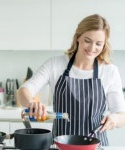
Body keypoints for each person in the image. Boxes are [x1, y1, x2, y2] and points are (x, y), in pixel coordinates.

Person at [17, 14, 125, 146]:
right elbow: (23, 91)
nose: (92, 48)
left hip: (96, 146)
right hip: (60, 146)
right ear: (78, 37)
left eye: (98, 44)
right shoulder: (55, 64)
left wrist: (114, 119)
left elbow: (121, 115)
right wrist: (31, 103)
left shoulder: (109, 71)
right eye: (87, 40)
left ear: (104, 44)